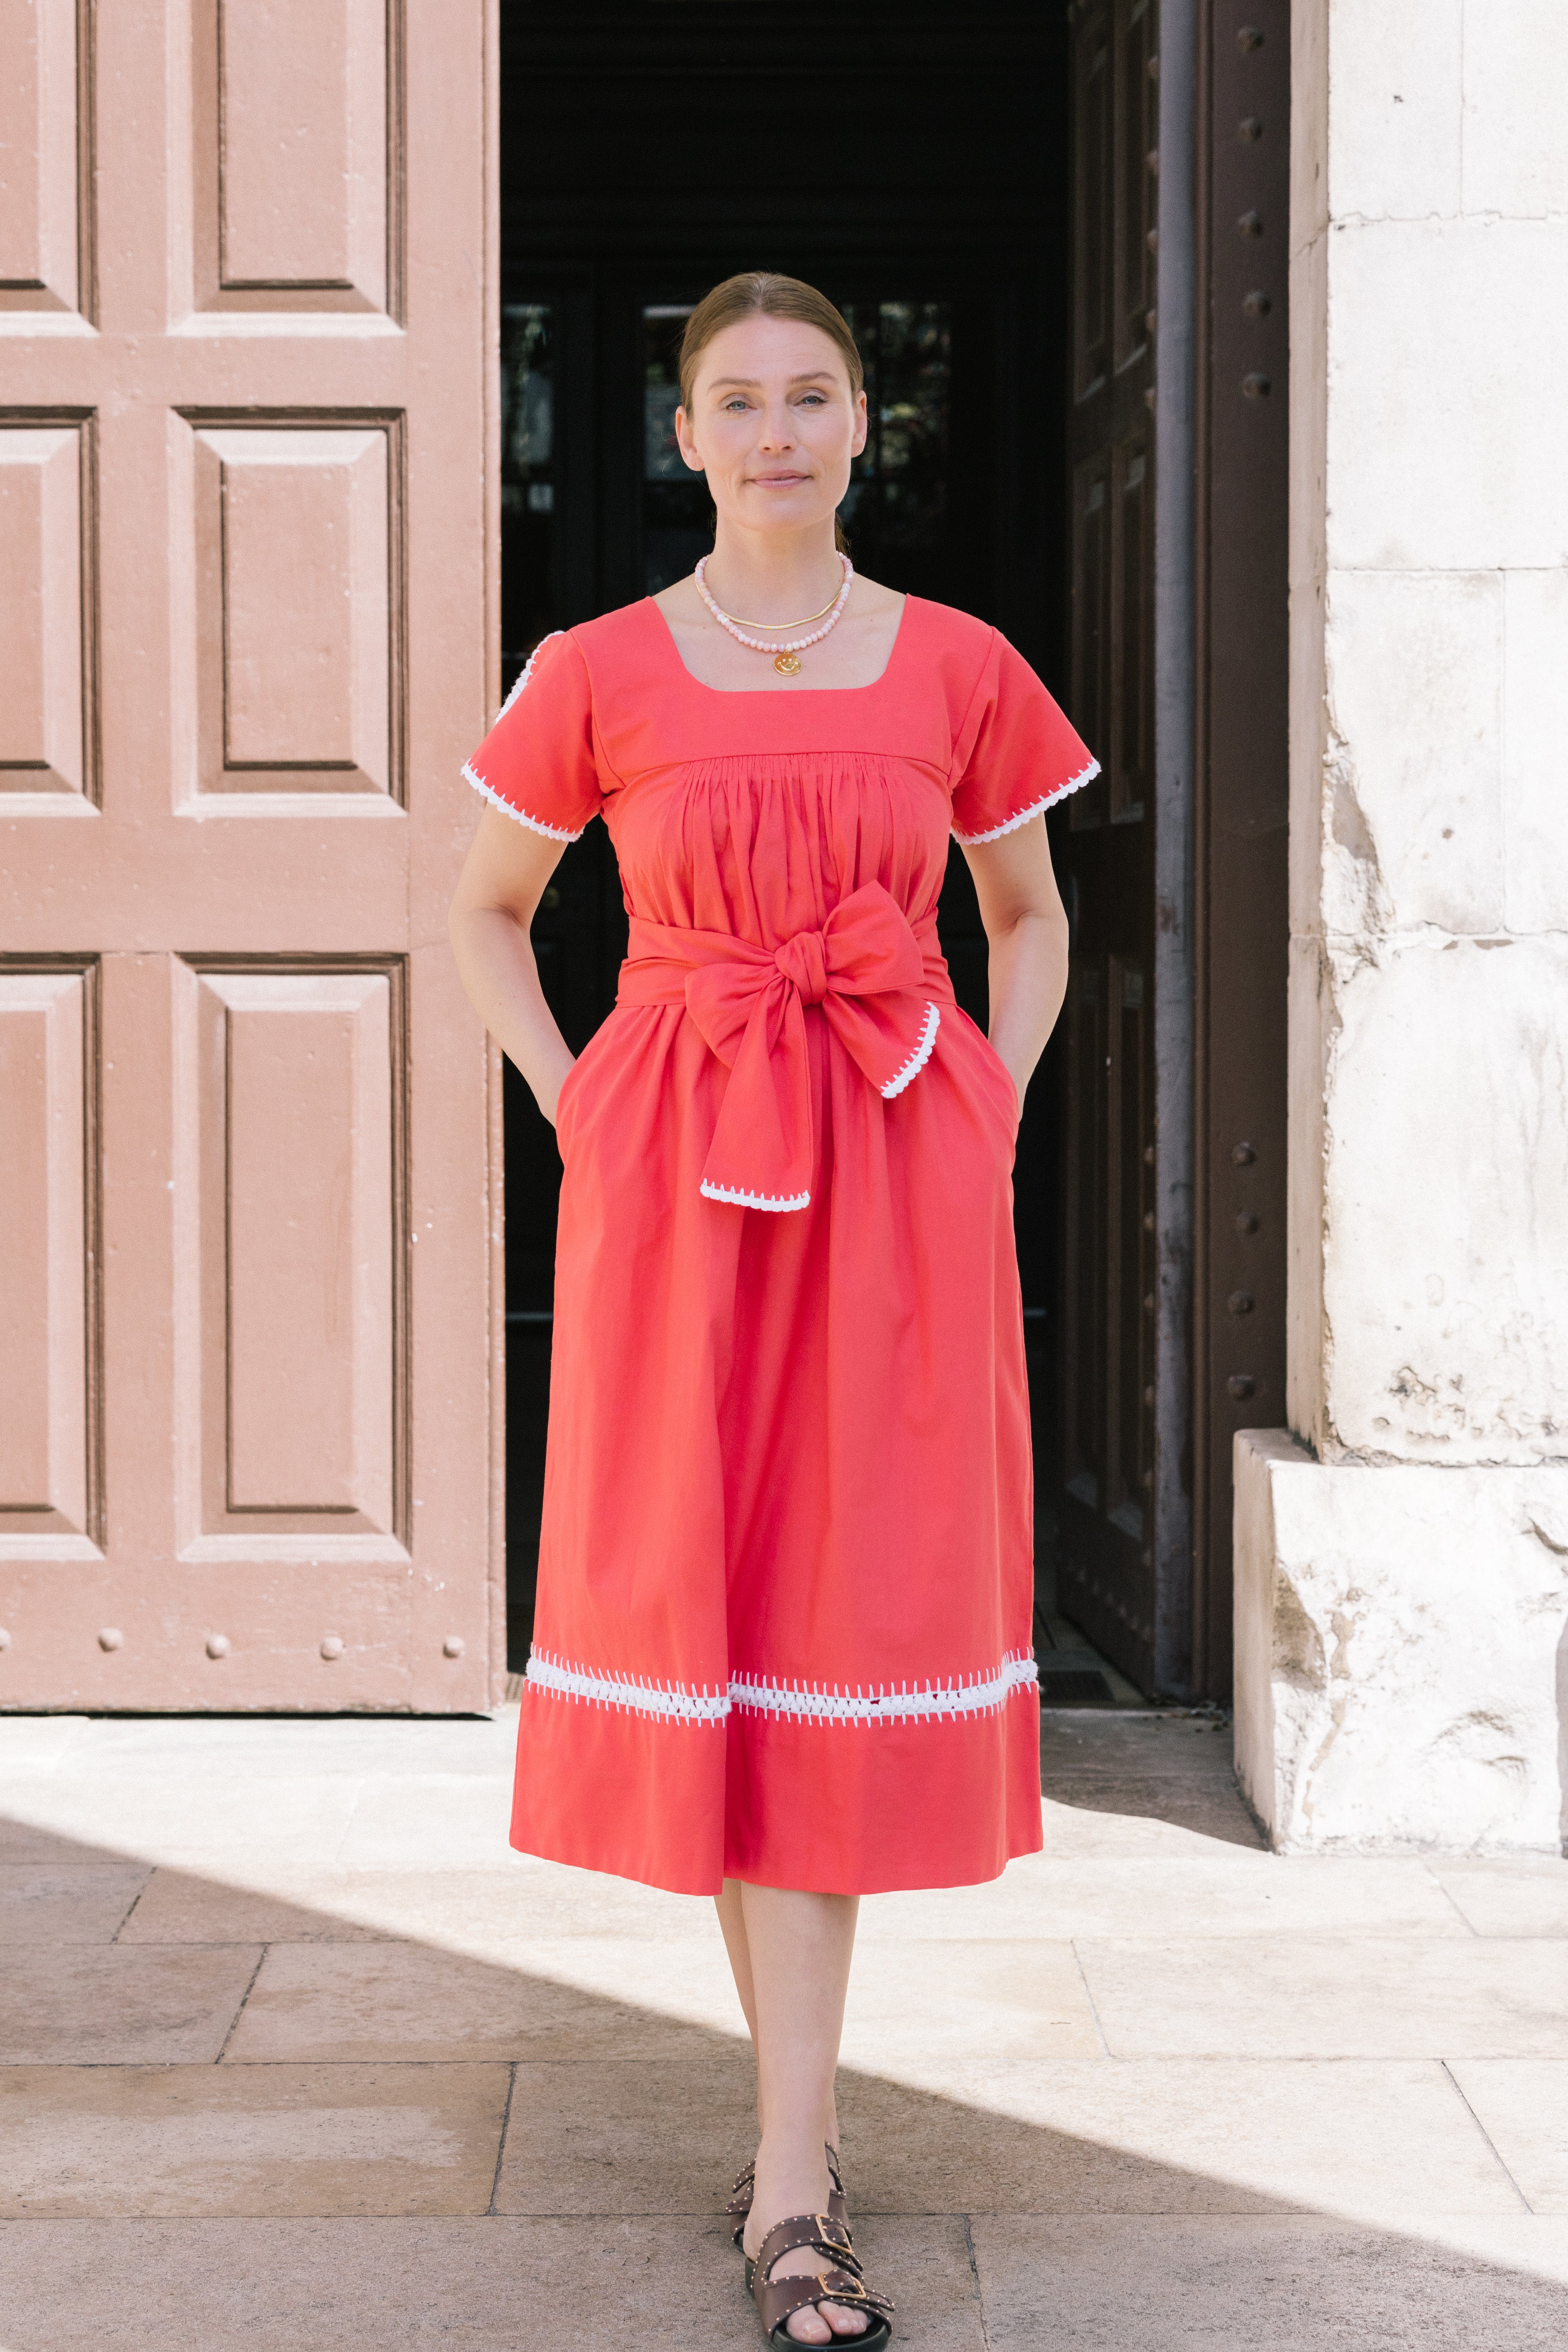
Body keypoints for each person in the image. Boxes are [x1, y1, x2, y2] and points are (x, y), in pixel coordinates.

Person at [449, 272, 1094, 2347]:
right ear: (688, 427)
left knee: (841, 1615)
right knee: (720, 1624)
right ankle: (794, 2167)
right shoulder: (604, 666)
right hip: (682, 1191)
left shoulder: (963, 666)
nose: (783, 429)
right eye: (742, 400)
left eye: (815, 395)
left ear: (858, 428)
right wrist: (583, 1110)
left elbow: (1030, 914)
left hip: (900, 1178)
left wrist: (983, 1106)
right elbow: (475, 910)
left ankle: (792, 2158)